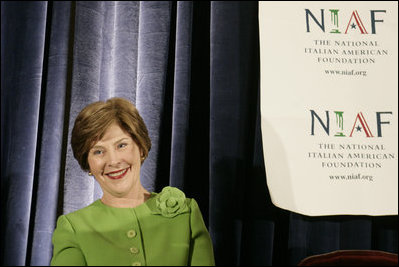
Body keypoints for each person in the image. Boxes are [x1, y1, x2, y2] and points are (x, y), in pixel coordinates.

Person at [51, 97, 215, 266]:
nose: (113, 161)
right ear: (88, 163)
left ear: (141, 148)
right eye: (98, 152)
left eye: (121, 145)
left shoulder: (186, 214)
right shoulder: (73, 228)